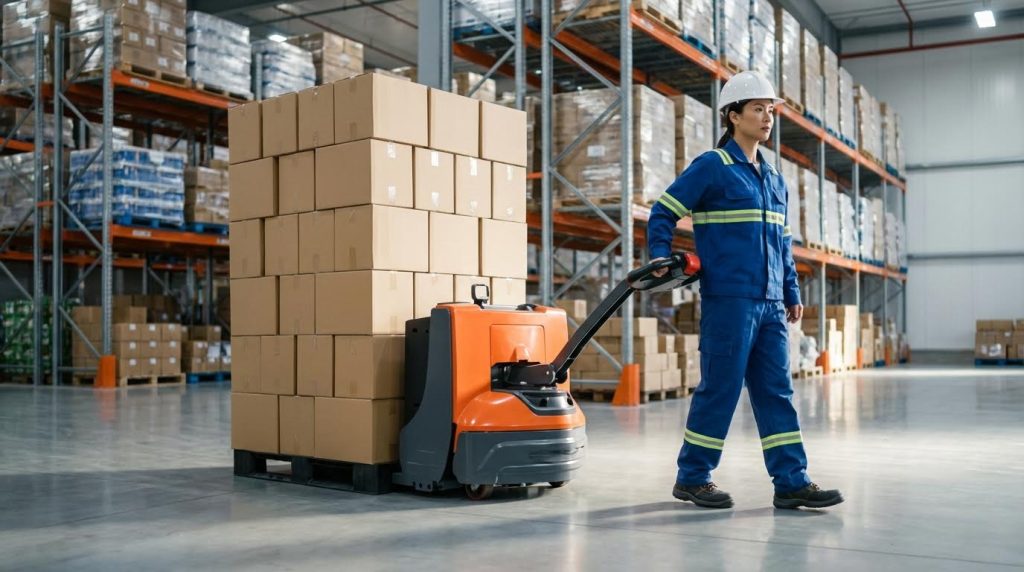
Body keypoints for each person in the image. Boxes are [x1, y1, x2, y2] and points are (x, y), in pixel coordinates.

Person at [646, 71, 843, 510]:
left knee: (777, 393)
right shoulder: (713, 167)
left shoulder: (774, 179)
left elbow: (783, 244)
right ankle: (693, 477)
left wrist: (791, 291)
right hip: (729, 300)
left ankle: (791, 481)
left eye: (770, 110)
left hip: (771, 304)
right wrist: (660, 256)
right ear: (733, 116)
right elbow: (663, 212)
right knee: (721, 389)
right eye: (758, 109)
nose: (767, 117)